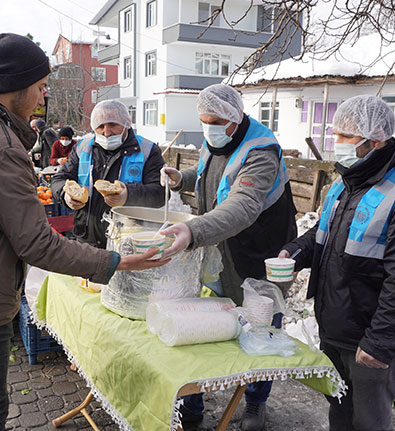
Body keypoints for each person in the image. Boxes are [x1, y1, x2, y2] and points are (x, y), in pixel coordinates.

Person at [0, 33, 167, 431]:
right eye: (42, 86)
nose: (44, 95)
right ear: (18, 88)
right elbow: (37, 244)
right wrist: (117, 262)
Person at [278, 95, 395, 431]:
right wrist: (294, 253)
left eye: (343, 136)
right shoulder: (347, 181)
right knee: (340, 410)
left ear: (374, 140)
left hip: (369, 335)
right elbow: (323, 234)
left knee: (368, 420)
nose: (335, 142)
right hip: (337, 324)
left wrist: (381, 342)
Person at [161, 83, 298, 430]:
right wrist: (182, 179)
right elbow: (211, 174)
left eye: (217, 121)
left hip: (259, 253)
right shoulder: (218, 140)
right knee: (208, 323)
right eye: (205, 121)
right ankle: (192, 403)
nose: (210, 128)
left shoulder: (261, 151)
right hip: (221, 248)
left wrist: (194, 231)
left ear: (236, 118)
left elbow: (243, 205)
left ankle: (255, 402)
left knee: (260, 327)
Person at [51, 100, 166, 249]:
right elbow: (58, 180)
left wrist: (128, 195)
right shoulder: (83, 148)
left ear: (126, 123)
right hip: (87, 241)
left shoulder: (147, 150)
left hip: (128, 242)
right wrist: (65, 196)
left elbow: (161, 193)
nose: (106, 132)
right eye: (100, 126)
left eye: (113, 125)